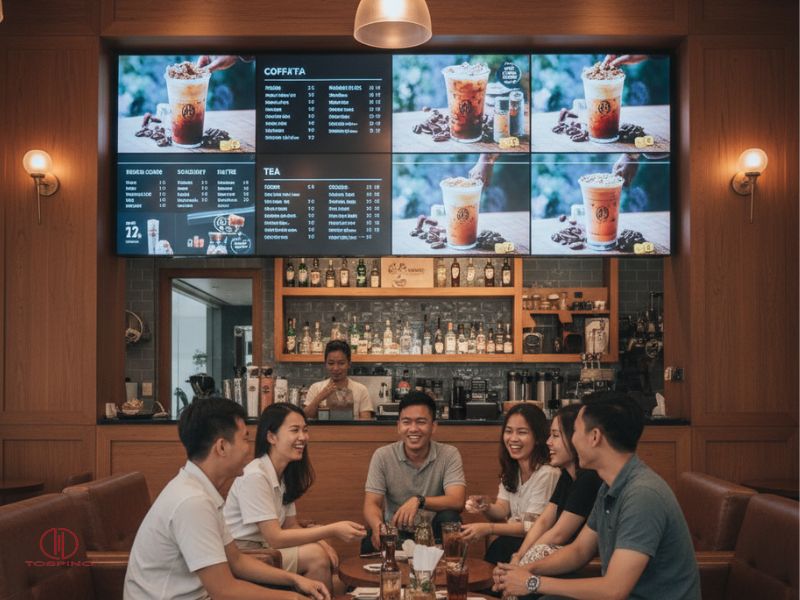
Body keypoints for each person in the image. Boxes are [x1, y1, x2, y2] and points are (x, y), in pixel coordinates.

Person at [493, 392, 700, 600]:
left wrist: (532, 582)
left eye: (575, 431)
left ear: (594, 437)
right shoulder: (609, 486)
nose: (572, 439)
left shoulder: (642, 495)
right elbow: (579, 550)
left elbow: (614, 590)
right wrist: (524, 570)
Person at [124, 396, 330, 600]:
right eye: (245, 439)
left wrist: (294, 580)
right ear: (221, 447)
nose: (249, 449)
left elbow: (237, 561)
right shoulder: (193, 502)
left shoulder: (201, 490)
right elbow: (224, 591)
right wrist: (291, 598)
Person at [224, 403, 366, 592]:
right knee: (316, 557)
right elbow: (275, 537)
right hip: (245, 554)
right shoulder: (255, 475)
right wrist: (332, 530)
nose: (303, 437)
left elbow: (290, 525)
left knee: (322, 551)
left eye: (305, 430)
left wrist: (322, 540)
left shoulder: (283, 474)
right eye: (294, 430)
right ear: (271, 437)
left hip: (266, 548)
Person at [362, 391, 466, 552]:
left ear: (434, 426)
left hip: (432, 533)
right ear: (398, 426)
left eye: (421, 422)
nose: (413, 429)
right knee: (369, 539)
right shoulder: (382, 456)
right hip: (395, 532)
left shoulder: (449, 454)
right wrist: (378, 527)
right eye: (406, 422)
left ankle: (448, 566)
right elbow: (371, 504)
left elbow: (457, 501)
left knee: (450, 518)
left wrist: (419, 501)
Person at [461, 403, 560, 564]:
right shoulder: (512, 469)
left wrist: (487, 528)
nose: (513, 438)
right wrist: (486, 506)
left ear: (537, 438)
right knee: (501, 545)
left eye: (522, 432)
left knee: (501, 545)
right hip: (514, 541)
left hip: (539, 545)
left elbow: (531, 526)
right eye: (508, 431)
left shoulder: (547, 473)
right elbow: (502, 509)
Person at [509, 404, 602, 568]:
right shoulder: (567, 475)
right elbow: (544, 521)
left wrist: (521, 565)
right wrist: (519, 556)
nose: (548, 442)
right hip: (563, 552)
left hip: (583, 559)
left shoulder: (589, 477)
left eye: (556, 435)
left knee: (536, 555)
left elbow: (559, 534)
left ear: (575, 438)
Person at [303, 340, 374, 420]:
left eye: (341, 363)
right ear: (325, 364)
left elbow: (366, 422)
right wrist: (320, 397)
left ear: (349, 364)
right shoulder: (316, 388)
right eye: (331, 363)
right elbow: (305, 417)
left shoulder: (361, 390)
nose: (336, 368)